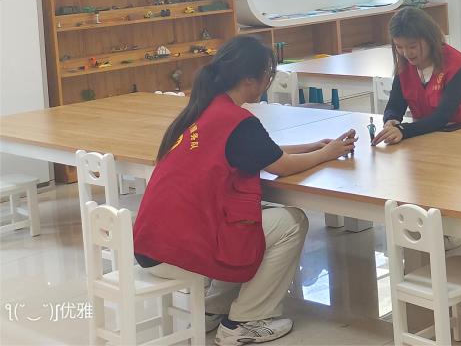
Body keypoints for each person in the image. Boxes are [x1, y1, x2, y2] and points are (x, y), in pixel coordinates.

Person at [132, 35, 357, 345]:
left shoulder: (204, 110)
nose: (268, 80)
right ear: (251, 79)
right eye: (268, 73)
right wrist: (327, 154)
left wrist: (314, 146)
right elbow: (281, 166)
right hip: (178, 249)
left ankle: (212, 309)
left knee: (248, 221)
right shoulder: (237, 120)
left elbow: (262, 153)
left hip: (153, 243)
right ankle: (244, 322)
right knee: (291, 222)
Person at [372, 6, 461, 145]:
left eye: (412, 46)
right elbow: (395, 105)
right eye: (399, 47)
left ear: (430, 39)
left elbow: (442, 116)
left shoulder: (456, 65)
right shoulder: (405, 66)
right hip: (434, 138)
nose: (406, 53)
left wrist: (403, 130)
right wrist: (391, 120)